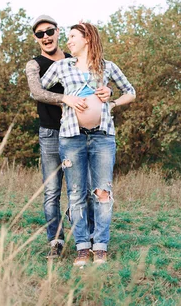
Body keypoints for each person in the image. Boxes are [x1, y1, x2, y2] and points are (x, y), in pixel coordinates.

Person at [41, 22, 135, 266]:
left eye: (73, 36)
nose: (68, 41)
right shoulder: (61, 66)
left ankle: (100, 246)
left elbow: (131, 92)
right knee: (76, 193)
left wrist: (112, 101)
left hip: (103, 136)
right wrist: (64, 99)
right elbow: (39, 90)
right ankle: (82, 246)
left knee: (102, 192)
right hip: (71, 136)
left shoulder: (108, 67)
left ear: (87, 39)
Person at [25, 15, 111, 258]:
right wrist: (64, 98)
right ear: (36, 38)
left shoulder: (74, 58)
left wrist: (108, 91)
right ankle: (56, 240)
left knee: (82, 189)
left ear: (57, 32)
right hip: (51, 133)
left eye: (49, 31)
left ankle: (90, 241)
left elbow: (96, 79)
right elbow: (36, 91)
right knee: (52, 190)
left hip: (78, 133)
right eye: (40, 34)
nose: (46, 37)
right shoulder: (34, 64)